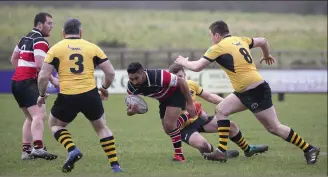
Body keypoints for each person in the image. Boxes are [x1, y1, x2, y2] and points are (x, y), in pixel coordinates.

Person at [174, 20, 320, 164]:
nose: (211, 39)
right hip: (245, 91)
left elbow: (197, 66)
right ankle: (221, 152)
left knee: (274, 127)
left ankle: (309, 148)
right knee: (221, 110)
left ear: (217, 35)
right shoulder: (241, 40)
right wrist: (266, 55)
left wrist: (182, 61)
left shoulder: (218, 47)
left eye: (211, 36)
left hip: (254, 91)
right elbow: (263, 41)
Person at [37, 18, 122, 173]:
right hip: (90, 94)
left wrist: (42, 94)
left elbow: (43, 76)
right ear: (81, 32)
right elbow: (110, 72)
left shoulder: (55, 49)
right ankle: (115, 165)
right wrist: (103, 88)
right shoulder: (92, 48)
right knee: (101, 128)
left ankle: (72, 149)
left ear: (63, 33)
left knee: (55, 125)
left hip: (68, 96)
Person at [168, 63, 268, 159]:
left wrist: (227, 104)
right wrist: (197, 110)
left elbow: (210, 96)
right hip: (183, 127)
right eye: (175, 77)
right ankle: (217, 153)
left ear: (185, 75)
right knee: (204, 146)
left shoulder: (191, 85)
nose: (179, 80)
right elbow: (181, 108)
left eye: (180, 76)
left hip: (198, 119)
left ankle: (248, 149)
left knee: (230, 126)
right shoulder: (169, 92)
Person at [10, 12, 59, 160]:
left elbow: (14, 58)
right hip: (28, 82)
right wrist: (52, 80)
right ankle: (38, 148)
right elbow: (40, 64)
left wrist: (20, 73)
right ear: (39, 24)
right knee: (39, 115)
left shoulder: (24, 38)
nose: (52, 26)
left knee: (31, 118)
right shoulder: (40, 40)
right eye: (49, 23)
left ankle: (26, 151)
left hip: (16, 82)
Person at [126, 62, 197, 162]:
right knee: (168, 130)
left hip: (176, 93)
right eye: (131, 79)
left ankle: (179, 155)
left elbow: (181, 81)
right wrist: (131, 112)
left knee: (169, 124)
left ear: (143, 73)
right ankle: (189, 114)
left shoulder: (158, 76)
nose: (134, 82)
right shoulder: (131, 88)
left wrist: (190, 103)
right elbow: (128, 110)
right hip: (163, 99)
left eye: (136, 78)